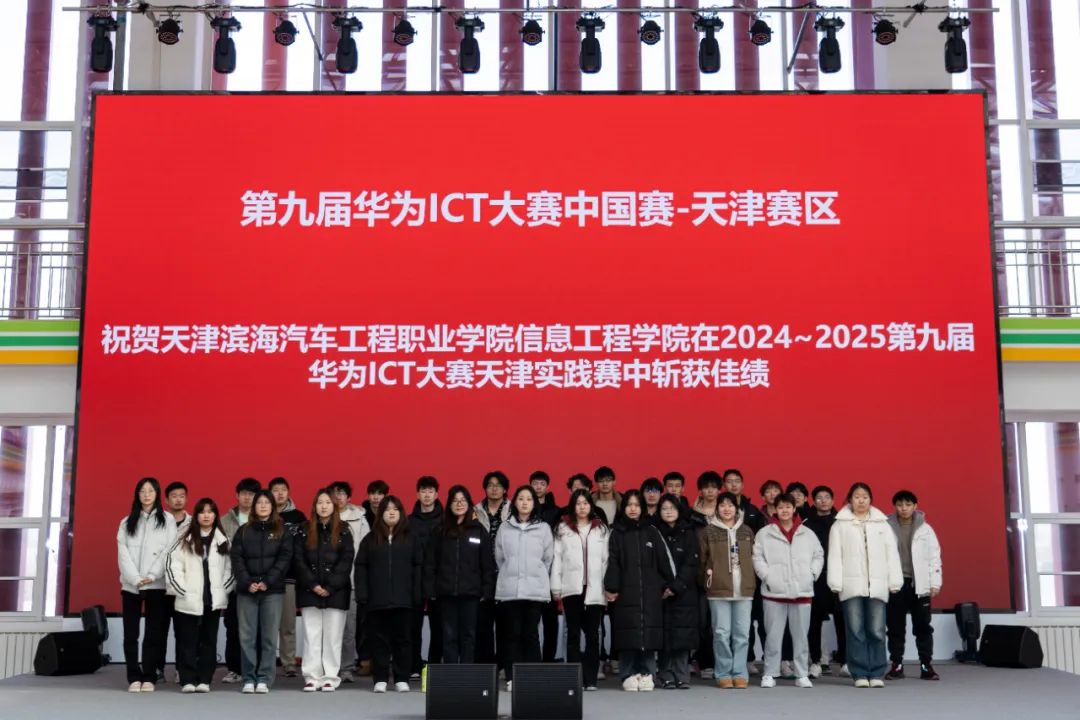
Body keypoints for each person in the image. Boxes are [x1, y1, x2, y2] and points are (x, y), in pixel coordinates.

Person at [828, 482, 903, 689]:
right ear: (850, 500)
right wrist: (835, 581)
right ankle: (859, 672)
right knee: (855, 631)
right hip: (851, 585)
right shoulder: (840, 525)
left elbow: (892, 554)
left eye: (865, 497)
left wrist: (895, 580)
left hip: (877, 585)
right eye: (857, 497)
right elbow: (835, 556)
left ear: (870, 500)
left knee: (877, 630)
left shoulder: (882, 524)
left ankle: (877, 672)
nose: (861, 501)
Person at [604, 490, 676, 692]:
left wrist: (669, 584)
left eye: (637, 505)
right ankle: (627, 674)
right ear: (623, 508)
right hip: (625, 593)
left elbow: (665, 561)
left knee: (648, 634)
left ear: (642, 508)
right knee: (628, 635)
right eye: (629, 505)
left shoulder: (652, 531)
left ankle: (647, 674)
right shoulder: (617, 533)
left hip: (651, 593)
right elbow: (612, 562)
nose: (633, 509)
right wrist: (611, 587)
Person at [752, 493, 823, 689]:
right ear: (775, 509)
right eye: (780, 507)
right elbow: (757, 557)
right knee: (773, 636)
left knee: (801, 637)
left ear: (794, 509)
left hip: (802, 592)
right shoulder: (765, 533)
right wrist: (768, 576)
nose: (784, 510)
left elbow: (818, 555)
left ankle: (801, 673)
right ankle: (770, 673)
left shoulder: (807, 533)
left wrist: (811, 574)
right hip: (773, 593)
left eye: (788, 507)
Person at [355, 496, 423, 693]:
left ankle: (402, 678)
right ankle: (381, 678)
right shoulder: (370, 539)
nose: (391, 512)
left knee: (404, 640)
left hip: (404, 599)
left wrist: (417, 594)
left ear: (401, 513)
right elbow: (361, 567)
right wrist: (363, 594)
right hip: (377, 600)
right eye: (387, 509)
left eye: (395, 509)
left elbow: (419, 567)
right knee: (379, 640)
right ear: (380, 514)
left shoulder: (411, 538)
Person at [165, 497, 233, 693]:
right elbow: (172, 565)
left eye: (210, 511)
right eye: (202, 512)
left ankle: (204, 679)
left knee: (209, 641)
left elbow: (230, 569)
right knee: (187, 640)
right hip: (188, 599)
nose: (206, 515)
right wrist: (181, 590)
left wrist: (223, 589)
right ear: (196, 516)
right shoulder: (184, 539)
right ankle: (187, 679)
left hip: (212, 599)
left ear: (215, 515)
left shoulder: (223, 541)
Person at [117, 477, 177, 693]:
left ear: (157, 494)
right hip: (131, 585)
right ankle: (133, 676)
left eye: (150, 491)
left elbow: (169, 549)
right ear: (137, 494)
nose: (146, 494)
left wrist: (152, 575)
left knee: (154, 633)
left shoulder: (167, 520)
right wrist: (135, 578)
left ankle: (149, 676)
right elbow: (123, 552)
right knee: (130, 634)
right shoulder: (127, 522)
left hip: (156, 585)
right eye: (142, 491)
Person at [230, 489, 294, 694]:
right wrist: (247, 582)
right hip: (246, 591)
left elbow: (284, 559)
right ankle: (249, 677)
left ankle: (264, 678)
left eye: (267, 502)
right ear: (254, 506)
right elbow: (236, 559)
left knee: (269, 637)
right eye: (259, 503)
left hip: (272, 591)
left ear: (272, 506)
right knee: (246, 637)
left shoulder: (282, 530)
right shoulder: (243, 531)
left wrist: (267, 581)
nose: (263, 506)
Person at [425, 485, 495, 664]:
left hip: (471, 594)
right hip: (446, 593)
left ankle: (466, 674)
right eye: (455, 501)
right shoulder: (440, 531)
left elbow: (487, 564)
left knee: (469, 635)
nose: (459, 504)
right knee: (449, 636)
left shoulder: (478, 530)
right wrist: (431, 589)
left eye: (463, 500)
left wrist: (487, 591)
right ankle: (451, 674)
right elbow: (431, 562)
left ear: (469, 504)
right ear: (449, 504)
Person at [495, 486, 555, 692]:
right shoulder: (505, 528)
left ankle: (532, 677)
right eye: (521, 498)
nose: (525, 502)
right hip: (510, 591)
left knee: (531, 634)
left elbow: (548, 558)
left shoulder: (544, 528)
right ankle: (512, 677)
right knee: (512, 635)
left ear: (534, 503)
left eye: (529, 499)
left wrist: (536, 574)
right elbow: (500, 558)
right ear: (515, 502)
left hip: (534, 591)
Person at [294, 488, 354, 692]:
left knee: (333, 636)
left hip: (336, 592)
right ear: (314, 506)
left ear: (334, 506)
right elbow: (298, 560)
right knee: (311, 635)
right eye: (320, 502)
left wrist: (330, 586)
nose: (324, 506)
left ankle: (330, 676)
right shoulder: (303, 529)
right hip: (309, 590)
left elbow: (346, 560)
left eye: (328, 502)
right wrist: (313, 585)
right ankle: (312, 676)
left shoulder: (344, 530)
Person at [550, 489, 609, 690]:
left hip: (595, 589)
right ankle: (574, 678)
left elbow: (606, 561)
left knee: (593, 635)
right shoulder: (562, 528)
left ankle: (591, 678)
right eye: (578, 503)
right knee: (573, 634)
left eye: (585, 503)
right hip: (571, 588)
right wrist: (555, 587)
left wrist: (608, 586)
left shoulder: (601, 529)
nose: (582, 507)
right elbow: (557, 559)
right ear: (572, 506)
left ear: (591, 506)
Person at [699, 492, 756, 689]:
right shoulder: (708, 531)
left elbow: (754, 557)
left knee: (742, 634)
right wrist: (708, 579)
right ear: (717, 508)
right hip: (718, 589)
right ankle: (723, 673)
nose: (726, 509)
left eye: (730, 505)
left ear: (737, 508)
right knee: (721, 633)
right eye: (722, 505)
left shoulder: (747, 531)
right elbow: (701, 560)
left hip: (744, 589)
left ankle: (739, 673)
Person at [886, 490, 943, 681]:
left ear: (915, 506)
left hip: (920, 585)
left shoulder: (925, 529)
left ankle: (926, 666)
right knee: (895, 627)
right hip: (896, 583)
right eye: (900, 505)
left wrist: (935, 582)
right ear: (895, 506)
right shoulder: (886, 527)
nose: (904, 508)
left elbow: (934, 557)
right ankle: (896, 665)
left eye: (908, 504)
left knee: (923, 627)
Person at [220, 477, 261, 684]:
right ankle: (234, 668)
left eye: (252, 494)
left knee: (258, 628)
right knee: (233, 627)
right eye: (244, 493)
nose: (247, 497)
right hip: (233, 583)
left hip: (258, 582)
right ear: (237, 495)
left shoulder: (264, 518)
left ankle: (257, 669)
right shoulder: (225, 521)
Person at [656, 494, 699, 690]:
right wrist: (663, 586)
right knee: (664, 635)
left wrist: (676, 586)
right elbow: (651, 563)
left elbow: (692, 563)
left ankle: (682, 675)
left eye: (672, 508)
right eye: (664, 508)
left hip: (684, 592)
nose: (668, 512)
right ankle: (665, 674)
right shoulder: (654, 532)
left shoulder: (688, 532)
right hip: (661, 593)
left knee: (683, 635)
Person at [330, 480, 371, 682]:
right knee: (330, 628)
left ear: (349, 497)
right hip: (328, 583)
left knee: (348, 628)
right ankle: (329, 667)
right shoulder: (324, 516)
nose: (338, 497)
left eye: (342, 493)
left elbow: (366, 551)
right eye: (334, 493)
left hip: (352, 581)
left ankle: (346, 667)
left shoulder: (360, 519)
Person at [804, 485, 846, 677]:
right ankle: (816, 661)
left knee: (842, 620)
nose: (823, 501)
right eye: (819, 498)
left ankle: (845, 661)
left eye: (827, 497)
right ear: (813, 501)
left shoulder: (841, 521)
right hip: (816, 578)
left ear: (833, 500)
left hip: (839, 576)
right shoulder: (807, 523)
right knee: (814, 621)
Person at [270, 476, 307, 678]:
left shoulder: (298, 516)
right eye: (276, 490)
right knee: (267, 624)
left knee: (288, 624)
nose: (280, 494)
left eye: (283, 490)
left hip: (290, 578)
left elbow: (303, 545)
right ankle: (266, 662)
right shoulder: (263, 513)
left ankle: (289, 662)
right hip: (267, 578)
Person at [474, 471, 510, 669]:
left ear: (505, 489)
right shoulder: (475, 511)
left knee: (505, 624)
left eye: (498, 485)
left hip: (506, 573)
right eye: (490, 485)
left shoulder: (513, 510)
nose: (494, 488)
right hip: (482, 575)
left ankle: (505, 665)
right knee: (483, 624)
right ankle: (485, 667)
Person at [410, 476, 444, 675]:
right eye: (423, 491)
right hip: (415, 580)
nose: (427, 495)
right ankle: (414, 666)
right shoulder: (409, 521)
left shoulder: (445, 520)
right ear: (417, 494)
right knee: (413, 626)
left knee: (438, 626)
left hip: (438, 580)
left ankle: (434, 666)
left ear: (437, 494)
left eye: (431, 491)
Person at [530, 471, 563, 663]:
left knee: (550, 619)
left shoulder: (556, 511)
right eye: (535, 483)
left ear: (547, 487)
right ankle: (532, 660)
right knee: (531, 619)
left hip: (550, 572)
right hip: (531, 571)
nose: (538, 487)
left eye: (542, 483)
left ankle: (549, 659)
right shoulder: (524, 509)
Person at [160, 481, 190, 682]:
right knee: (159, 630)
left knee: (184, 631)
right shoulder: (159, 521)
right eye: (174, 496)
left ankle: (182, 669)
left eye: (182, 496)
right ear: (167, 499)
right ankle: (157, 669)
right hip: (161, 584)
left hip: (184, 585)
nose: (178, 500)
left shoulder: (194, 522)